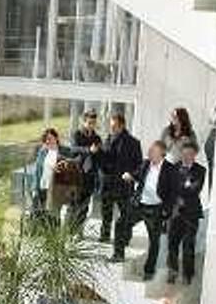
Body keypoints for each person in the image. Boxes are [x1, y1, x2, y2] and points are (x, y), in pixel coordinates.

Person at [112, 141, 178, 280]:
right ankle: (118, 254)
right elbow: (137, 174)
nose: (150, 153)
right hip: (139, 205)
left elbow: (173, 193)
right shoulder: (146, 163)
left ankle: (149, 271)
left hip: (156, 209)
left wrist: (167, 211)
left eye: (153, 151)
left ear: (161, 154)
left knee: (154, 241)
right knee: (121, 223)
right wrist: (129, 175)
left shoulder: (170, 169)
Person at [94, 112, 143, 243]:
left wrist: (132, 175)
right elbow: (103, 161)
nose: (112, 129)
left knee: (125, 214)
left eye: (114, 126)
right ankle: (104, 236)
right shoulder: (107, 140)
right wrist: (97, 153)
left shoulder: (133, 143)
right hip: (108, 183)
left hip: (124, 184)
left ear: (122, 126)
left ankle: (124, 238)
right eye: (111, 126)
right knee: (106, 212)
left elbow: (139, 165)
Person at [166, 142, 207, 285]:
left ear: (195, 155)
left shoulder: (201, 170)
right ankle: (172, 273)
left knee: (188, 245)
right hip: (175, 212)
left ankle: (187, 276)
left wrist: (180, 189)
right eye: (184, 153)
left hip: (191, 213)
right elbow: (169, 189)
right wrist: (183, 187)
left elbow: (195, 190)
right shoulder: (173, 168)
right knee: (172, 244)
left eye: (190, 154)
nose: (186, 157)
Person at [67, 109, 104, 231]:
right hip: (77, 174)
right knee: (73, 205)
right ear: (84, 122)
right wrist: (88, 150)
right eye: (89, 122)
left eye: (93, 123)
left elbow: (99, 157)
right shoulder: (76, 134)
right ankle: (68, 230)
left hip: (90, 176)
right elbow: (73, 149)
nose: (91, 125)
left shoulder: (97, 138)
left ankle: (78, 230)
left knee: (85, 205)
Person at [30, 128, 67, 218]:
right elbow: (37, 171)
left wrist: (63, 164)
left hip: (55, 190)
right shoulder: (42, 151)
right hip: (42, 187)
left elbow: (74, 160)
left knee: (53, 217)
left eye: (50, 138)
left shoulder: (64, 151)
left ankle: (54, 232)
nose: (47, 141)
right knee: (37, 215)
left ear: (56, 138)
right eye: (45, 139)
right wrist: (35, 188)